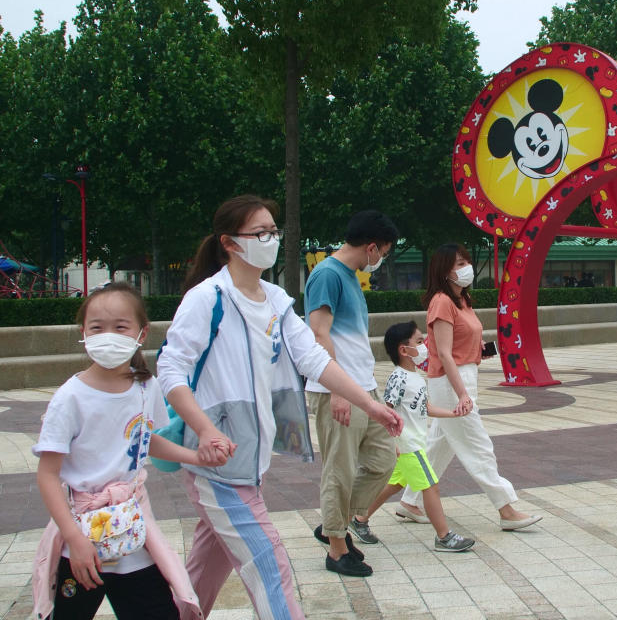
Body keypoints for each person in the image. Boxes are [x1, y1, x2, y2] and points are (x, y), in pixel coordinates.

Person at [157, 196, 402, 618]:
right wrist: (207, 430)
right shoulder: (207, 298)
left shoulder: (275, 300)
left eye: (274, 231)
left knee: (205, 566)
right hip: (214, 462)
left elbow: (314, 359)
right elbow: (170, 369)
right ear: (230, 243)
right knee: (271, 565)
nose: (270, 240)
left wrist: (371, 405)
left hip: (250, 460)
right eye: (260, 233)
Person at [32, 283, 218, 620]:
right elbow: (47, 474)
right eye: (97, 327)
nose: (108, 336)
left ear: (141, 332)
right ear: (83, 333)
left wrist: (195, 457)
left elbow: (145, 440)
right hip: (82, 539)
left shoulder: (147, 386)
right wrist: (74, 539)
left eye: (120, 327)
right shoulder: (70, 398)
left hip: (132, 536)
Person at [397, 243, 542, 530]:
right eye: (459, 264)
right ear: (444, 270)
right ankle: (506, 509)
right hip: (452, 383)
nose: (466, 268)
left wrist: (479, 352)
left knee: (439, 445)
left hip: (463, 376)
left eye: (466, 261)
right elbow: (445, 352)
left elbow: (462, 343)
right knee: (478, 446)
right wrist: (462, 393)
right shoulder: (441, 302)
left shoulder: (462, 300)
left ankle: (410, 501)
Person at [304, 209, 401, 577]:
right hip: (338, 391)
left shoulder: (348, 275)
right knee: (340, 470)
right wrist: (338, 390)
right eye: (385, 252)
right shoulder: (328, 274)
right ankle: (337, 548)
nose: (382, 260)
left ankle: (333, 524)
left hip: (363, 388)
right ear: (372, 247)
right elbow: (319, 333)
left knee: (383, 461)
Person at [359, 322, 475, 552]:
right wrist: (392, 443)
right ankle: (444, 537)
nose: (424, 347)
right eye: (419, 342)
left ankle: (359, 519)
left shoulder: (415, 377)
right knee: (430, 486)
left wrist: (452, 413)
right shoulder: (399, 378)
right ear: (403, 350)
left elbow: (424, 407)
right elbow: (386, 410)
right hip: (408, 445)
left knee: (394, 484)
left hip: (410, 444)